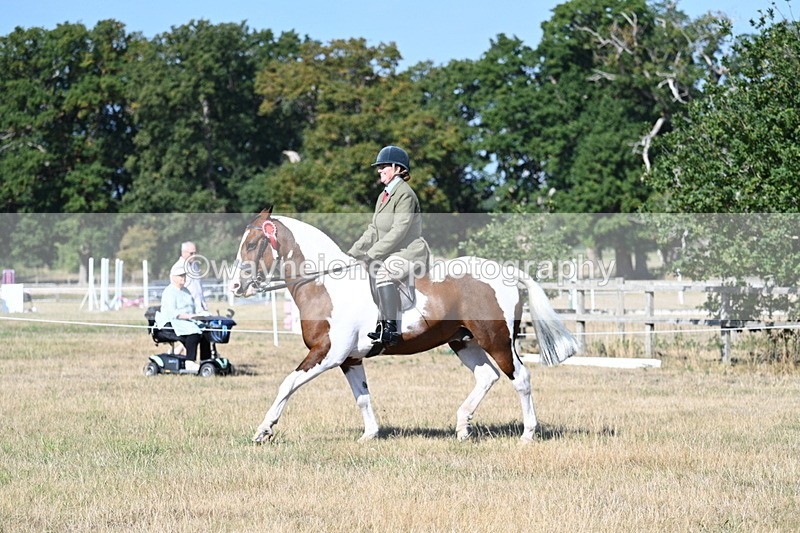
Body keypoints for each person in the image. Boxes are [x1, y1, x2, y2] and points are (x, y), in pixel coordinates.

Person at [348, 145, 429, 346]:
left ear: (397, 167)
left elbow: (399, 230)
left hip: (409, 252)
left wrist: (372, 254)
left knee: (383, 271)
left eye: (383, 166)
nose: (379, 170)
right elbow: (373, 229)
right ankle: (378, 323)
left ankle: (390, 328)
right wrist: (353, 252)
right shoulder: (383, 195)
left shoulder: (405, 194)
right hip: (391, 252)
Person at [154, 261, 211, 361]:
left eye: (184, 275)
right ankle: (190, 361)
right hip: (171, 322)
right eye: (180, 276)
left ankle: (206, 360)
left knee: (205, 332)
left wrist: (200, 315)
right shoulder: (169, 292)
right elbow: (173, 314)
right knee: (194, 332)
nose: (183, 278)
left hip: (186, 321)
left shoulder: (186, 291)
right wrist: (190, 317)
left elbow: (193, 308)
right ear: (173, 277)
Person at [178, 241, 208, 313]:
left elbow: (198, 287)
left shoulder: (195, 266)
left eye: (195, 253)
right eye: (191, 253)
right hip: (188, 308)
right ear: (183, 252)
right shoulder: (178, 267)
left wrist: (203, 304)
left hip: (200, 307)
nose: (194, 256)